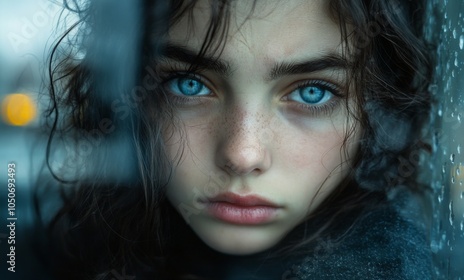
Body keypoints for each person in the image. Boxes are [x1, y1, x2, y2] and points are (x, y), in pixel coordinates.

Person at [36, 0, 434, 279]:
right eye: (189, 85)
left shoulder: (409, 262)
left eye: (312, 91)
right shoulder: (48, 254)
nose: (243, 156)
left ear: (379, 109)